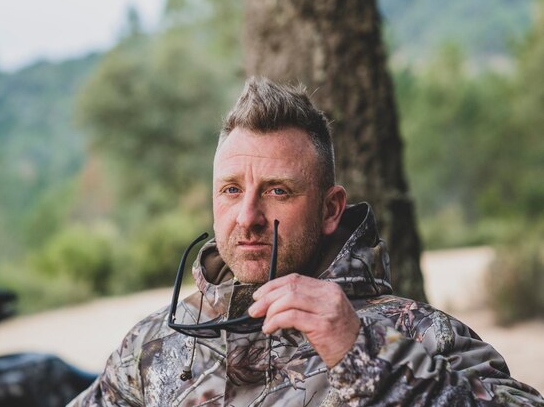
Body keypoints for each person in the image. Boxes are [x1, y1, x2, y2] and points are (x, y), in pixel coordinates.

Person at [69, 77, 544, 406]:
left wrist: (362, 352)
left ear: (331, 208)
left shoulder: (418, 334)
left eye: (278, 191)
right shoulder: (156, 343)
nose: (248, 217)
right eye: (231, 190)